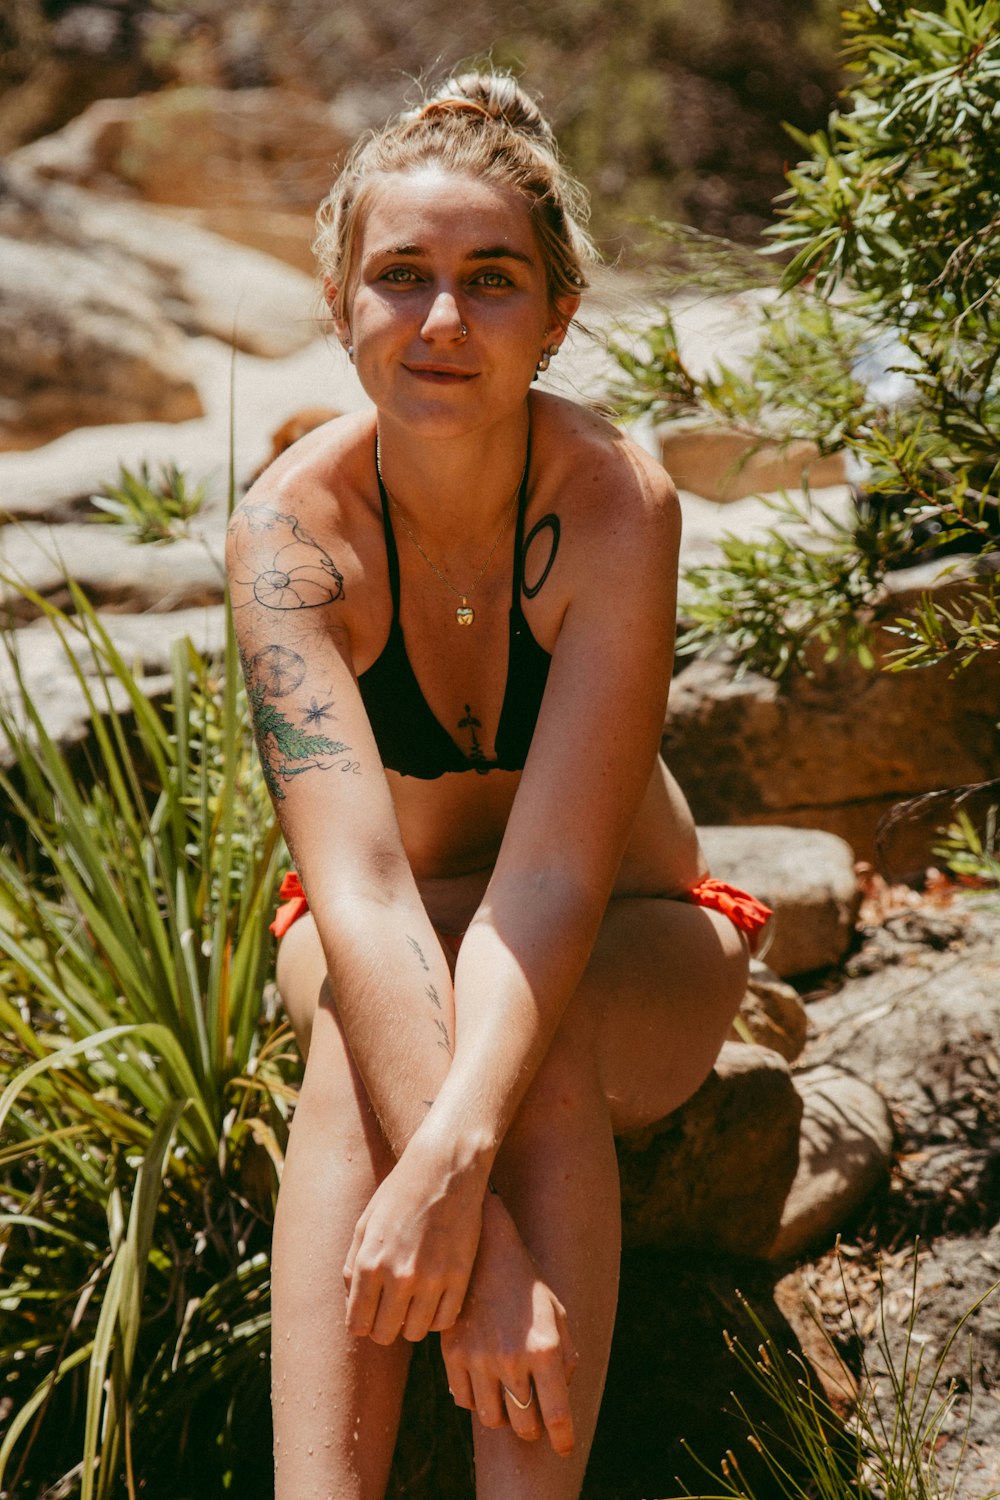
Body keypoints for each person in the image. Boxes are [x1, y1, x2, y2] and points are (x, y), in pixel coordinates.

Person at [226, 69, 770, 1500]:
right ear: (340, 300)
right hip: (379, 935)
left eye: (492, 280)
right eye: (400, 276)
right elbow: (356, 885)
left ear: (561, 314)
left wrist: (454, 1175)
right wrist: (492, 1265)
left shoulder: (612, 503)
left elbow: (551, 886)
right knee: (365, 1029)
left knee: (530, 1027)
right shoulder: (291, 538)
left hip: (618, 932)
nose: (443, 320)